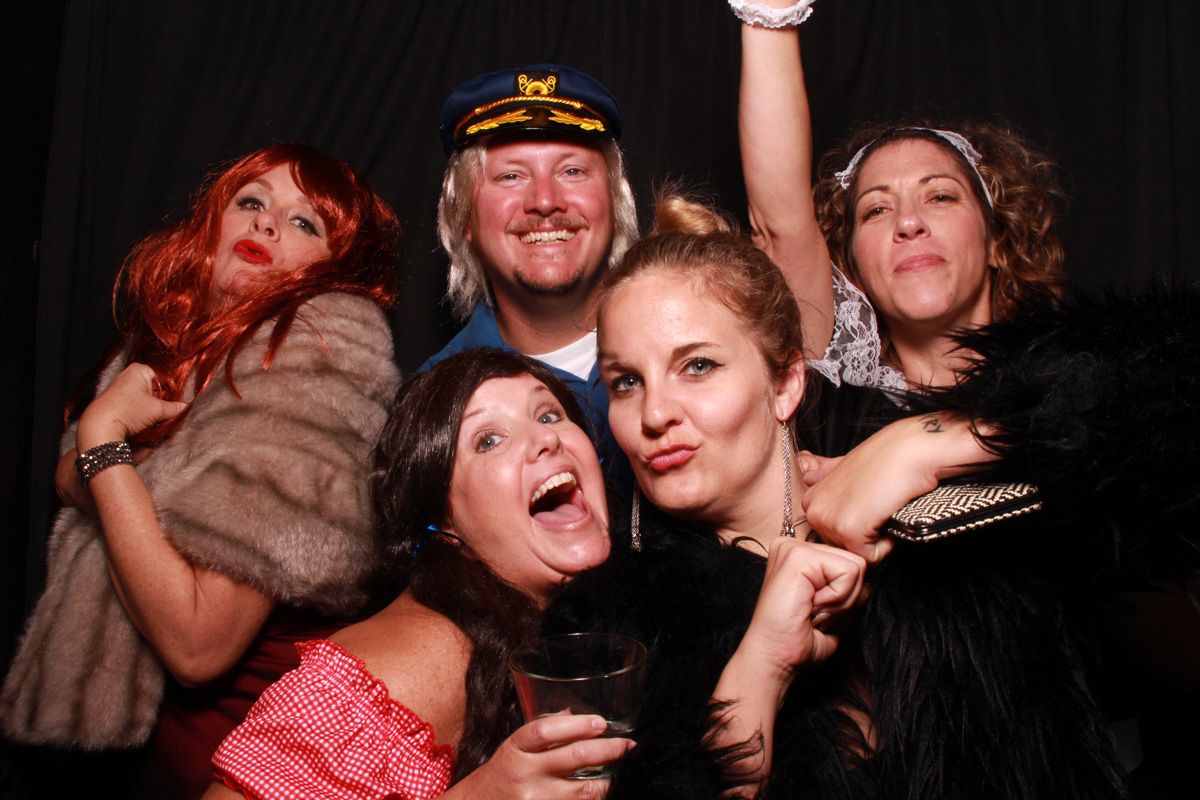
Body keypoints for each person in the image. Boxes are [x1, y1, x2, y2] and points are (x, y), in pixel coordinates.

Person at [542, 193, 1200, 799]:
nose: (655, 413)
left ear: (786, 383)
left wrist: (936, 438)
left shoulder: (950, 522)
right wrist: (764, 663)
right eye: (626, 382)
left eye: (697, 366)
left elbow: (1168, 409)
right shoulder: (606, 628)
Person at [1, 143, 402, 799]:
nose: (266, 223)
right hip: (120, 767)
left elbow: (197, 645)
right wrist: (105, 464)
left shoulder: (312, 363)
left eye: (304, 222)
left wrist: (106, 442)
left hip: (230, 764)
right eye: (251, 201)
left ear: (333, 271)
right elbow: (67, 477)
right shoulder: (176, 346)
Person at [202, 350, 678, 799]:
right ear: (445, 522)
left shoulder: (594, 618)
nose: (545, 438)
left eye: (549, 415)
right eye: (488, 440)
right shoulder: (398, 670)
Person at [736, 0, 1067, 390]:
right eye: (876, 209)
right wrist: (771, 10)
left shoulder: (1082, 385)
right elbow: (780, 227)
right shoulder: (834, 392)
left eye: (940, 197)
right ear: (852, 271)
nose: (908, 223)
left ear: (996, 240)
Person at [423, 63, 639, 450]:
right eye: (511, 176)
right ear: (464, 217)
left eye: (572, 171)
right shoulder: (432, 402)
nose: (545, 201)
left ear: (614, 202)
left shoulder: (692, 331)